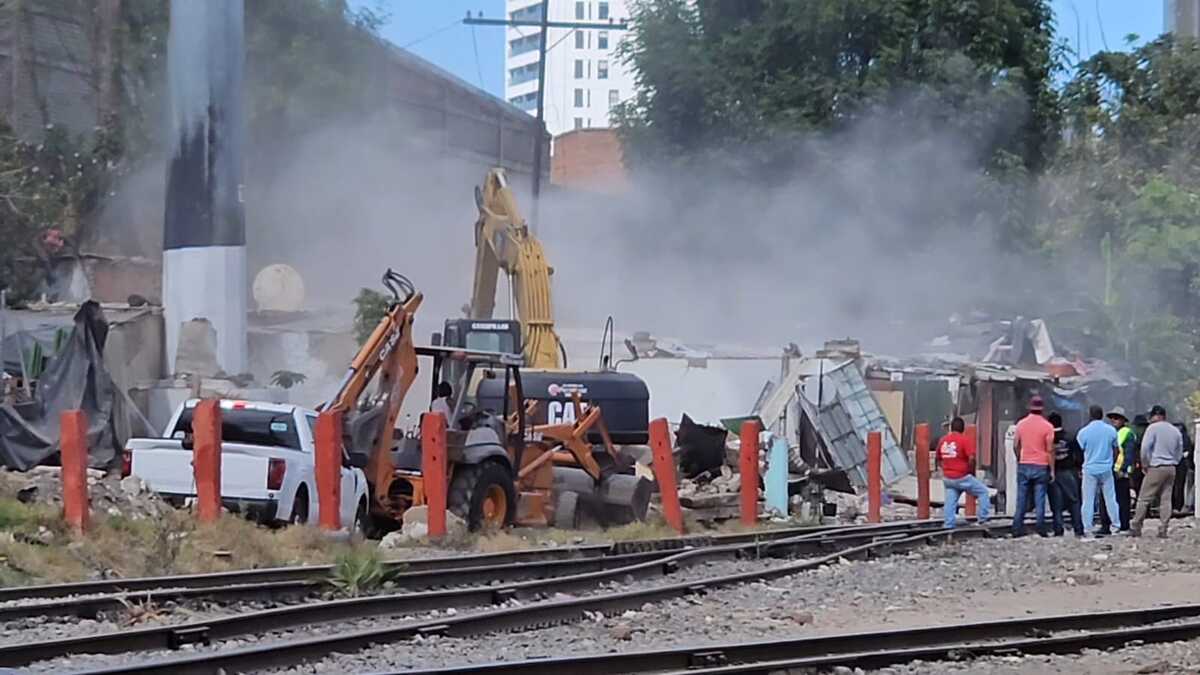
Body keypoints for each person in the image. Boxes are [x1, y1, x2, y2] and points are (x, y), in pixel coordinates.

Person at [1131, 405, 1184, 538]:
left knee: (1144, 498)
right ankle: (1163, 528)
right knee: (1166, 499)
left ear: (1155, 416)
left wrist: (1145, 464)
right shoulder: (1175, 430)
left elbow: (1145, 448)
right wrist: (1174, 462)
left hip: (1156, 466)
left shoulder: (1152, 428)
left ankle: (1136, 527)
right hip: (1171, 467)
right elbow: (1179, 451)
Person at [1012, 396, 1055, 537]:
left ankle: (1017, 528)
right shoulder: (1048, 427)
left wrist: (1019, 458)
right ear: (1042, 409)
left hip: (1024, 464)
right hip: (1041, 465)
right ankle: (1040, 528)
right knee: (1040, 498)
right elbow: (1049, 450)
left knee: (1021, 498)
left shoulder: (1021, 424)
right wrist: (1052, 470)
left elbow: (1015, 445)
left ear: (1029, 407)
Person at [937, 417, 991, 529]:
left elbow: (938, 458)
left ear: (951, 428)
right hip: (962, 476)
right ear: (963, 428)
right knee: (983, 492)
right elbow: (971, 458)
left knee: (950, 502)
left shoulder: (943, 440)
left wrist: (945, 469)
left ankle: (948, 524)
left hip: (948, 478)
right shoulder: (964, 440)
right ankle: (983, 519)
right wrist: (970, 471)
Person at [1078, 404, 1121, 539]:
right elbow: (1116, 450)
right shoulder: (1111, 430)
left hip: (1090, 469)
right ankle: (1115, 526)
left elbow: (1080, 451)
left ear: (1090, 415)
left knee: (1088, 500)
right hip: (1106, 469)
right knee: (1110, 498)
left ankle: (1088, 528)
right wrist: (1112, 462)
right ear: (1102, 415)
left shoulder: (1083, 432)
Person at [1099, 407, 1136, 534]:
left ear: (1123, 420)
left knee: (1122, 500)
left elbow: (1129, 453)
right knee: (1106, 499)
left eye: (1117, 418)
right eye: (1112, 418)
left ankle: (1123, 525)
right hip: (1108, 470)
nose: (1113, 420)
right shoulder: (1110, 432)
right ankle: (1106, 525)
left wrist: (1124, 468)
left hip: (1119, 472)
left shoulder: (1127, 433)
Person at [1047, 412, 1084, 537]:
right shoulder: (1070, 436)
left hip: (1053, 472)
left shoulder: (1047, 437)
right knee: (1074, 501)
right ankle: (1078, 529)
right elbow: (1078, 454)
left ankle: (1058, 530)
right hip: (1069, 471)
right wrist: (1079, 468)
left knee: (1056, 504)